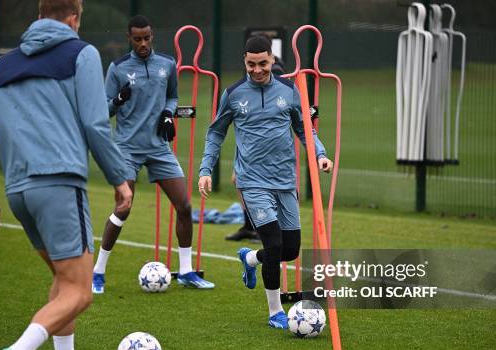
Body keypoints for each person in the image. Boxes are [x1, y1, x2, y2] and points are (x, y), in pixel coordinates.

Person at [0, 0, 132, 350]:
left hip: (19, 191)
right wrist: (119, 178)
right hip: (59, 182)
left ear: (40, 15)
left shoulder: (2, 66)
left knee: (63, 280)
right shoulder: (82, 53)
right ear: (75, 16)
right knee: (80, 291)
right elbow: (95, 123)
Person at [198, 36, 332, 329]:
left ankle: (250, 260)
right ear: (244, 62)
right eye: (250, 64)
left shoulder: (289, 89)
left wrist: (319, 154)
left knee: (291, 250)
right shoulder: (233, 94)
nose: (257, 70)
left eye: (262, 63)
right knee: (273, 244)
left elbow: (303, 128)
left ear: (272, 60)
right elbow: (216, 132)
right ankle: (275, 313)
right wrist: (205, 169)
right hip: (252, 181)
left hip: (285, 181)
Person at [92, 15, 214, 293]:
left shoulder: (167, 64)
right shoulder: (118, 68)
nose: (144, 43)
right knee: (123, 207)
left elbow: (172, 95)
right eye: (138, 39)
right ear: (129, 38)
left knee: (184, 206)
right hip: (126, 149)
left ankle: (185, 271)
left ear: (152, 35)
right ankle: (97, 272)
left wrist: (169, 115)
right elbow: (103, 111)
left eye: (147, 38)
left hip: (159, 148)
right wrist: (117, 100)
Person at [225, 54, 286, 242]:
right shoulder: (244, 87)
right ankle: (250, 226)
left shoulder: (278, 77)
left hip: (273, 146)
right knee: (238, 179)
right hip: (250, 143)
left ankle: (269, 227)